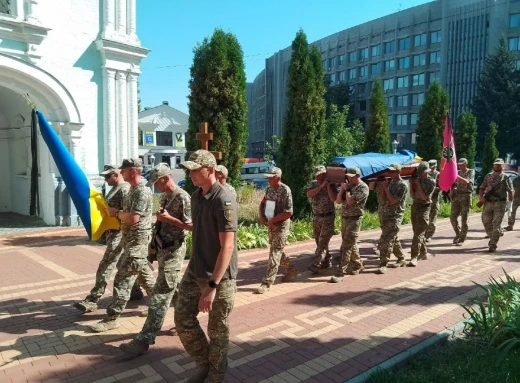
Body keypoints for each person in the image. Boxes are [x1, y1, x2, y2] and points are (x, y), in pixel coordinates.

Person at [174, 150, 238, 383]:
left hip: (219, 277)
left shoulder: (224, 199)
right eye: (189, 169)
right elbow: (199, 229)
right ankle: (204, 363)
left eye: (195, 169)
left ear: (210, 170)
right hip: (195, 268)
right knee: (182, 318)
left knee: (217, 330)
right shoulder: (196, 196)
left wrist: (211, 287)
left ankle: (216, 375)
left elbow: (227, 247)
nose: (190, 173)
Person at [119, 163, 192, 357]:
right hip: (162, 249)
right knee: (172, 288)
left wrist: (169, 220)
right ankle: (185, 321)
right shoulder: (166, 196)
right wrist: (153, 243)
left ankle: (144, 339)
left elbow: (191, 226)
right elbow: (161, 220)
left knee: (160, 295)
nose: (155, 187)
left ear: (166, 178)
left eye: (157, 183)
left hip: (174, 251)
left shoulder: (183, 197)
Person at [89, 158, 156, 332]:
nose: (121, 173)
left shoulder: (142, 191)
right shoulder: (132, 190)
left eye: (124, 170)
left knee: (122, 281)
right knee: (147, 281)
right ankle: (165, 306)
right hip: (130, 243)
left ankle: (112, 318)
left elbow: (133, 218)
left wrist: (116, 213)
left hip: (137, 245)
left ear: (133, 171)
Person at [74, 165, 132, 312]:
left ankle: (93, 299)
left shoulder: (124, 189)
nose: (105, 180)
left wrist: (116, 215)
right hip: (114, 233)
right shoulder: (114, 189)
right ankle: (136, 291)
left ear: (116, 175)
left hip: (120, 233)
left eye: (108, 176)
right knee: (128, 265)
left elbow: (129, 214)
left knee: (106, 264)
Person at [256, 167, 298, 294]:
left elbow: (289, 212)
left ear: (278, 178)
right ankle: (292, 270)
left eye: (270, 177)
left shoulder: (285, 190)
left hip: (281, 225)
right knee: (278, 249)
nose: (268, 179)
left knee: (274, 251)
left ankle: (267, 282)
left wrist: (273, 220)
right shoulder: (269, 189)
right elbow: (263, 203)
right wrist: (262, 216)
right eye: (267, 177)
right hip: (271, 224)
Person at [330, 167, 369, 283]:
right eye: (348, 176)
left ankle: (341, 272)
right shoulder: (348, 186)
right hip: (345, 217)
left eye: (351, 177)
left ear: (358, 176)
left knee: (347, 245)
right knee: (351, 243)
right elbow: (337, 201)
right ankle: (358, 265)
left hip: (355, 218)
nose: (349, 178)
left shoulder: (363, 187)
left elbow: (351, 202)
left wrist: (347, 190)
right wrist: (343, 189)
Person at [376, 163, 408, 274]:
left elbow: (394, 200)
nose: (391, 173)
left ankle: (383, 263)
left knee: (386, 240)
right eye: (390, 171)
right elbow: (383, 200)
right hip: (385, 214)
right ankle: (401, 258)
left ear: (399, 172)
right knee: (393, 238)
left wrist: (386, 188)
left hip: (395, 216)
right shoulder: (389, 182)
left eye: (393, 171)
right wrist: (384, 188)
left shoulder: (402, 185)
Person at [307, 166, 337, 274]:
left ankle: (316, 264)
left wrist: (327, 186)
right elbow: (309, 194)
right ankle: (327, 260)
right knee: (318, 241)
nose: (319, 177)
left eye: (321, 174)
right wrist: (321, 187)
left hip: (328, 216)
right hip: (316, 217)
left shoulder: (331, 183)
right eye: (317, 175)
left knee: (323, 242)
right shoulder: (314, 183)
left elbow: (333, 198)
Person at [479, 158, 513, 252]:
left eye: (499, 165)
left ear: (503, 166)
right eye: (495, 164)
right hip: (488, 202)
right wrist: (481, 197)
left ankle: (493, 244)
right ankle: (493, 236)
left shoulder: (505, 177)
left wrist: (509, 204)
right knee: (485, 221)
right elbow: (482, 187)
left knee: (496, 224)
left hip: (500, 203)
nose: (497, 166)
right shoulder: (488, 176)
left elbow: (510, 191)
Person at [408, 161, 436, 267]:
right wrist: (411, 184)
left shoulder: (431, 181)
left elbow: (425, 197)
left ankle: (414, 257)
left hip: (424, 208)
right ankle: (424, 252)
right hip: (415, 206)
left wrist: (418, 184)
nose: (420, 174)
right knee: (417, 232)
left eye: (422, 172)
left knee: (418, 234)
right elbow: (413, 195)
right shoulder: (416, 180)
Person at [450, 158, 475, 246]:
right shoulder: (457, 172)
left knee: (464, 219)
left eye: (461, 164)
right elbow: (453, 184)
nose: (460, 166)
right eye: (459, 164)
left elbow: (466, 182)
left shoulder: (470, 172)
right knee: (453, 218)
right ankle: (458, 233)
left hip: (466, 196)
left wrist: (455, 175)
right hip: (456, 196)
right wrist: (452, 191)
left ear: (466, 164)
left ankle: (462, 238)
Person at [425, 160, 440, 242]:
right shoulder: (425, 174)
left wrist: (430, 188)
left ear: (435, 166)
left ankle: (429, 235)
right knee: (425, 218)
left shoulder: (438, 174)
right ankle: (424, 234)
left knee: (432, 219)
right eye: (430, 166)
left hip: (434, 199)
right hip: (425, 199)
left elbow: (440, 187)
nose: (431, 168)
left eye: (433, 166)